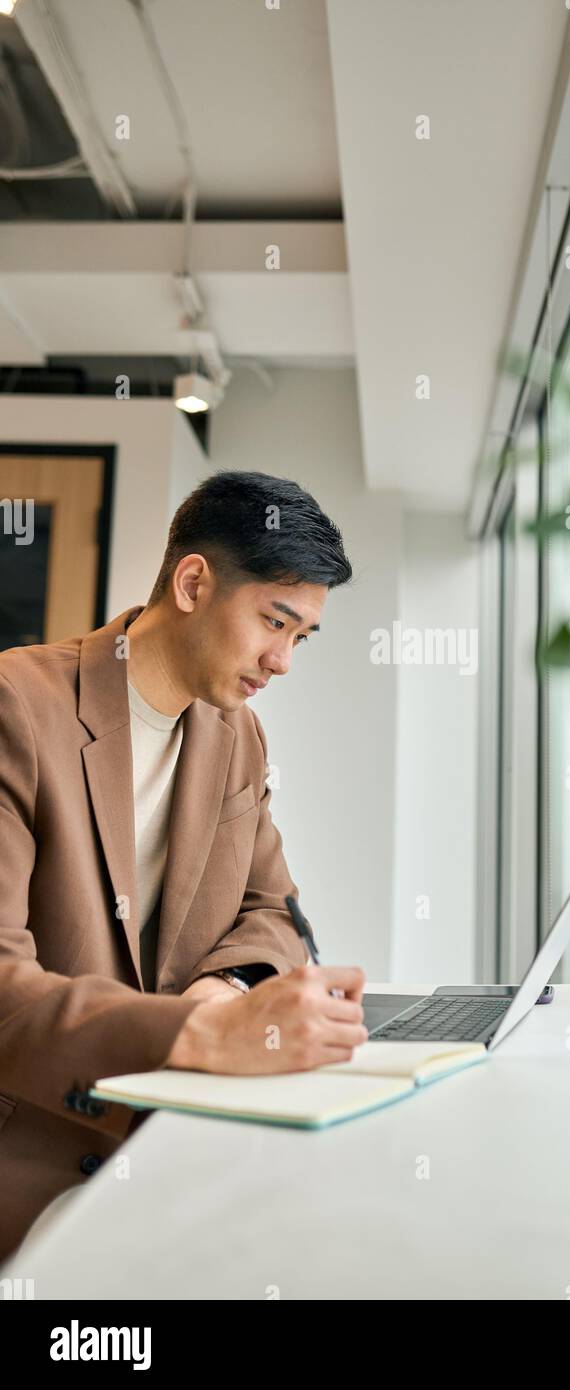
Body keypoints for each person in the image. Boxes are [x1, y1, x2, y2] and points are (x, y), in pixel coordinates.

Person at [0, 470, 367, 1262]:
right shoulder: (16, 704)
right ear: (194, 582)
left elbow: (274, 913)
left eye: (301, 636)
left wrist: (221, 990)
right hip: (28, 1161)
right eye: (275, 621)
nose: (283, 662)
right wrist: (200, 1033)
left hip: (182, 1154)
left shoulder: (236, 737)